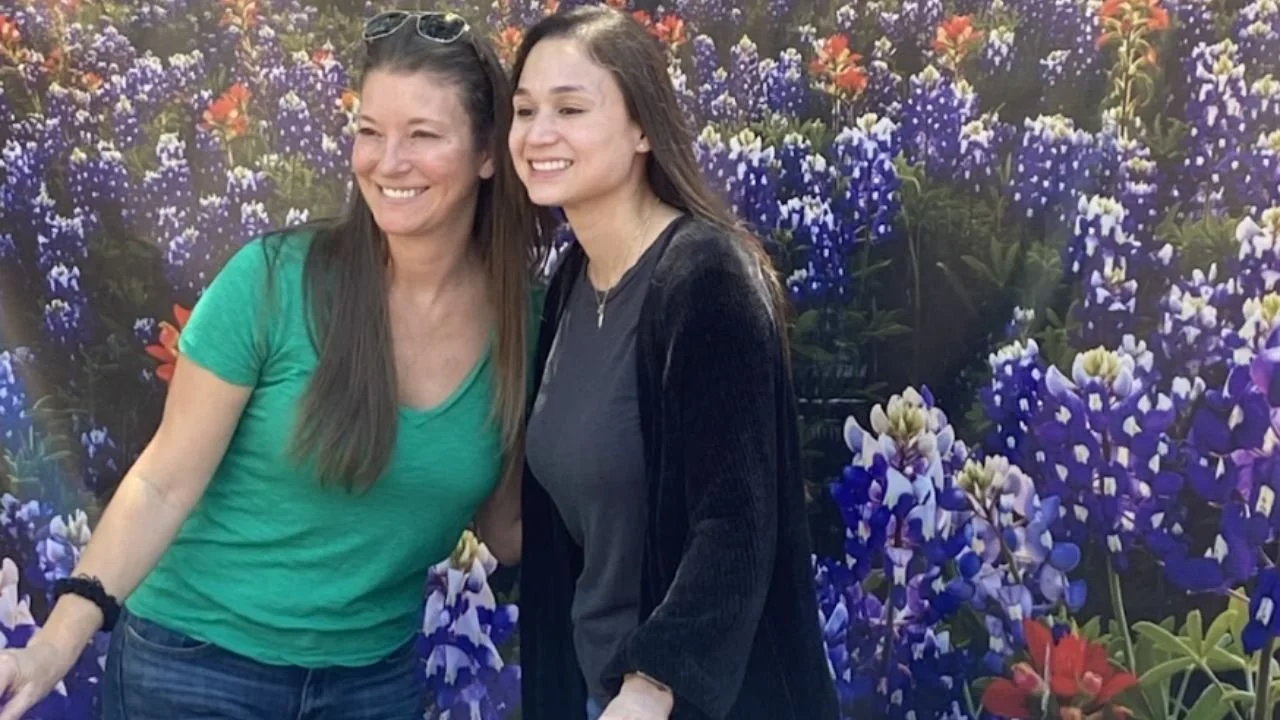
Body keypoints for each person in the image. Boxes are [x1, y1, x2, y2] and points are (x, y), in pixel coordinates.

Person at [0, 10, 544, 720]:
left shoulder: (527, 323)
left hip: (370, 683)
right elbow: (163, 483)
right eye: (370, 132)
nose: (388, 162)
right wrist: (57, 640)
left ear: (488, 153)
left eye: (423, 135)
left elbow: (507, 530)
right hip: (194, 667)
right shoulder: (273, 281)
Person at [509, 6, 840, 720]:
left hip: (683, 705)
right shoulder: (571, 280)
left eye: (570, 108)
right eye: (524, 110)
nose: (538, 134)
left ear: (643, 129)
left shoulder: (707, 277)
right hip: (596, 692)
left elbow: (736, 524)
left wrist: (654, 683)